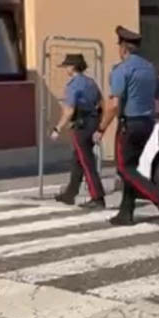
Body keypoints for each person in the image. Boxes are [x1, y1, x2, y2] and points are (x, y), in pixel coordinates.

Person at [96, 26, 159, 227]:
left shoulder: (122, 70)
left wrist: (101, 129)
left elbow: (114, 105)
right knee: (132, 167)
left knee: (124, 168)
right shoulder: (150, 68)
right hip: (148, 124)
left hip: (129, 125)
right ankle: (126, 212)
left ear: (123, 48)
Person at [49, 53, 106, 208]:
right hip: (93, 122)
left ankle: (98, 197)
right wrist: (100, 126)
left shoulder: (73, 85)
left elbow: (69, 111)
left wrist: (57, 128)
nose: (66, 69)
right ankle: (70, 193)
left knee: (86, 161)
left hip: (81, 126)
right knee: (78, 160)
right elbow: (102, 104)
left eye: (67, 66)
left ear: (73, 67)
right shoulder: (90, 82)